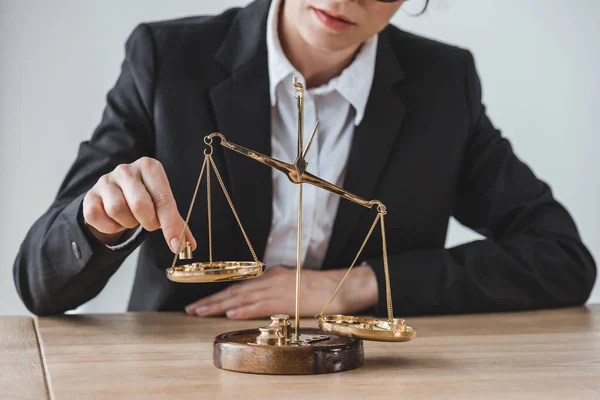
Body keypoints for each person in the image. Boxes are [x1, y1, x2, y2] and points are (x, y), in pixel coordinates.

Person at [14, 0, 596, 318]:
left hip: (363, 377)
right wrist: (96, 221)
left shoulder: (443, 85)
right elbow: (38, 287)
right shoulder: (169, 60)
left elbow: (562, 259)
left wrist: (356, 285)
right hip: (190, 372)